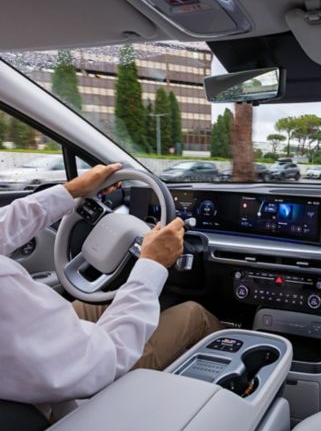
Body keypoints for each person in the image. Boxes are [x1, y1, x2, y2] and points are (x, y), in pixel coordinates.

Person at [0, 164, 221, 407]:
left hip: (31, 340)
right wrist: (152, 264)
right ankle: (231, 391)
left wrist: (71, 190)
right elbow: (104, 360)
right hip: (77, 388)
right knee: (194, 315)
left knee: (100, 303)